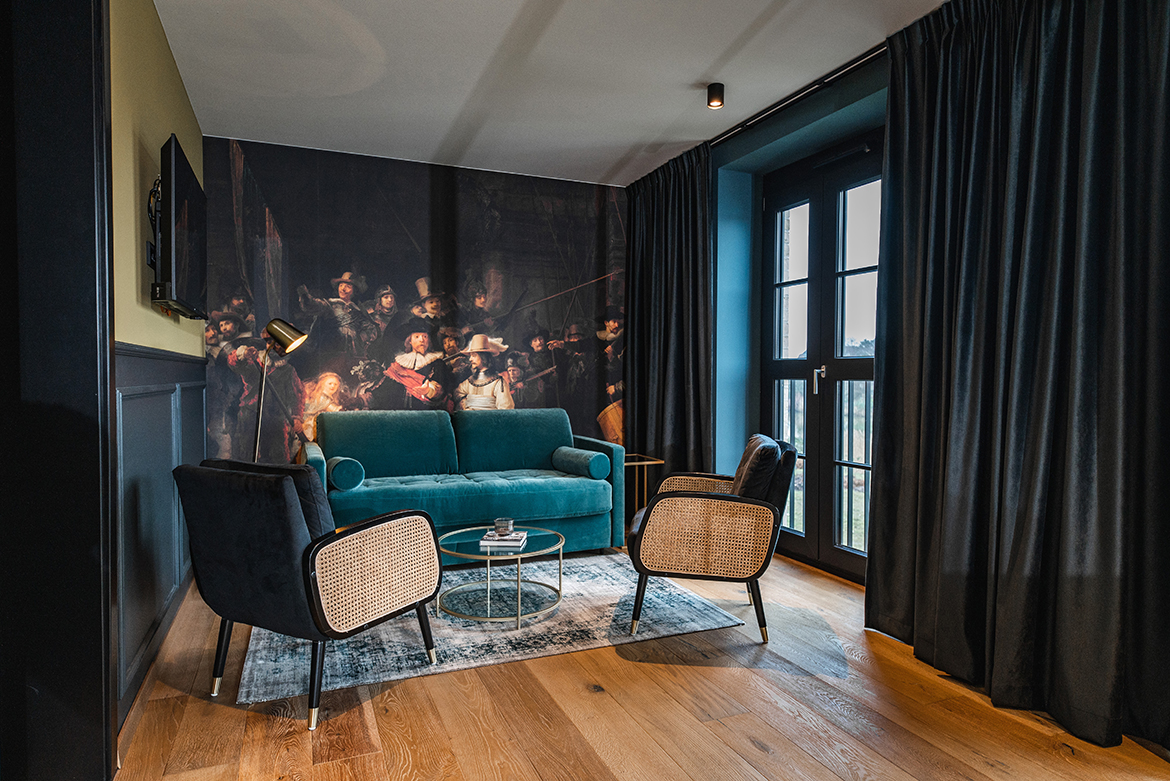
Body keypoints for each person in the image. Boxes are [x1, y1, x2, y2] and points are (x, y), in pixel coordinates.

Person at [366, 317, 451, 411]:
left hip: (424, 412)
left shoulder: (437, 363)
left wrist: (428, 391)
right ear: (410, 341)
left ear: (429, 340)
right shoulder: (398, 364)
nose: (421, 340)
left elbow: (441, 388)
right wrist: (365, 399)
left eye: (425, 337)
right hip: (399, 412)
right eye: (417, 337)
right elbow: (385, 389)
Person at [297, 271, 379, 362]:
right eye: (341, 285)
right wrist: (304, 295)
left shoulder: (358, 311)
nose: (343, 289)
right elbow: (313, 305)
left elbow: (370, 329)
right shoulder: (330, 305)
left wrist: (360, 338)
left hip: (354, 355)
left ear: (354, 291)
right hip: (332, 352)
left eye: (348, 286)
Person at [454, 334, 514, 410]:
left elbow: (506, 408)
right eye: (470, 356)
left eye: (474, 355)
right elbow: (457, 393)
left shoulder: (498, 383)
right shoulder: (469, 382)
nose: (470, 359)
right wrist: (463, 401)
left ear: (484, 358)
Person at [302, 371, 345, 440]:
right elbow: (334, 409)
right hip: (311, 427)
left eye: (335, 384)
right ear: (322, 384)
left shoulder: (328, 397)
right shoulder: (321, 397)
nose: (333, 386)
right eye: (330, 383)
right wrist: (346, 407)